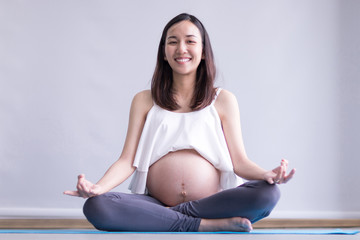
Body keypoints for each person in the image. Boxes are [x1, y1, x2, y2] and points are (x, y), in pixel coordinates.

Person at [64, 13, 296, 232]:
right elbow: (127, 161)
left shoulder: (223, 100)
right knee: (96, 206)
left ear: (203, 51)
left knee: (268, 194)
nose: (181, 49)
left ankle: (168, 217)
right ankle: (204, 224)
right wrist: (99, 188)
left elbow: (240, 163)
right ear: (164, 52)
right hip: (154, 201)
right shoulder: (144, 100)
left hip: (211, 201)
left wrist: (266, 174)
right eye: (173, 42)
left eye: (190, 41)